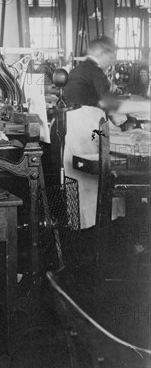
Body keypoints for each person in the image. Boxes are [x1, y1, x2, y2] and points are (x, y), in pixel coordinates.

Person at [61, 36, 149, 229]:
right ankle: (105, 234)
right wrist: (144, 105)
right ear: (102, 53)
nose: (113, 61)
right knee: (95, 183)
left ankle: (88, 230)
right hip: (85, 129)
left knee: (84, 187)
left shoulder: (80, 70)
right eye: (112, 56)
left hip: (77, 129)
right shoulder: (94, 70)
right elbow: (108, 102)